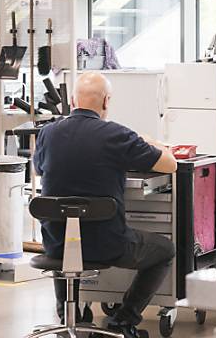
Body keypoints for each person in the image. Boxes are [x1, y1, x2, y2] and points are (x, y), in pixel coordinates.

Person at [33, 72, 178, 338]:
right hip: (108, 245)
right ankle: (123, 321)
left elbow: (41, 169)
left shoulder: (47, 133)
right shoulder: (117, 135)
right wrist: (149, 142)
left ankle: (70, 318)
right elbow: (171, 164)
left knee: (65, 238)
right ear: (106, 102)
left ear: (73, 100)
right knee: (166, 250)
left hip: (55, 245)